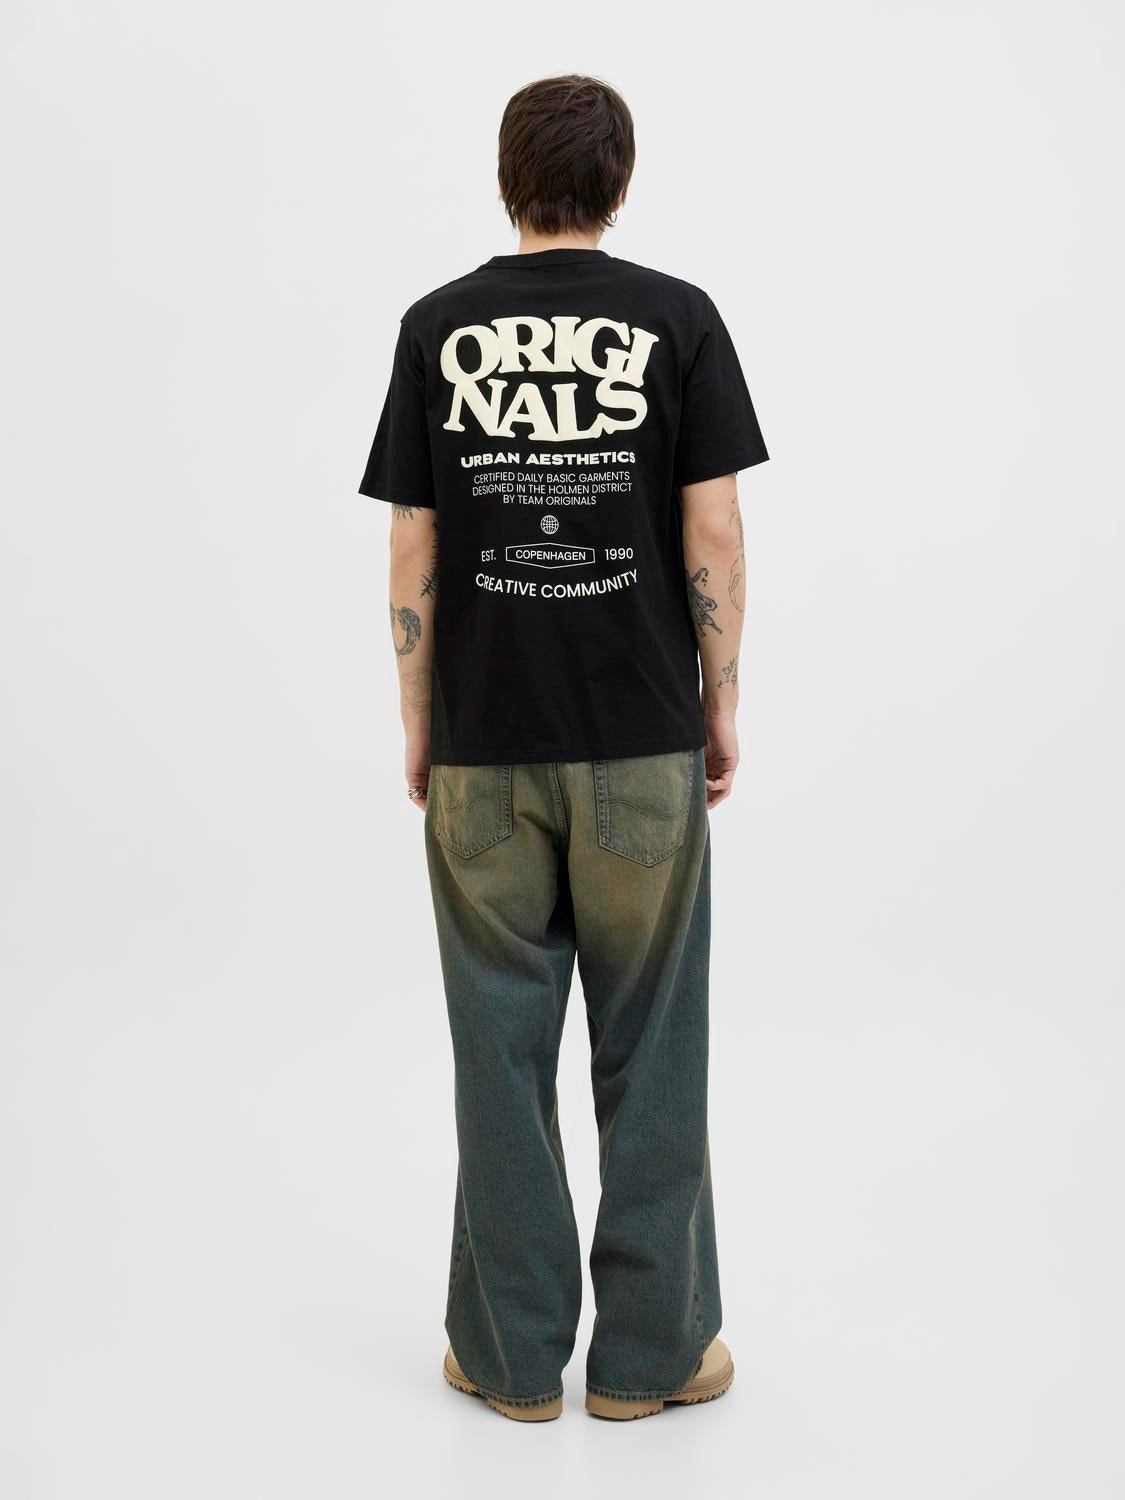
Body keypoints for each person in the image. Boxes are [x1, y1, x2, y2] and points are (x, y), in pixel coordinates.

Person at [359, 74, 769, 1421]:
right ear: (619, 182)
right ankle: (652, 1361)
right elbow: (712, 529)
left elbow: (413, 541)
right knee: (654, 1048)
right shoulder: (678, 319)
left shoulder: (436, 326)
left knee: (496, 1052)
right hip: (639, 737)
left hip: (483, 740)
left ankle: (510, 1358)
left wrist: (419, 718)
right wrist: (719, 698)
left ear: (507, 179)